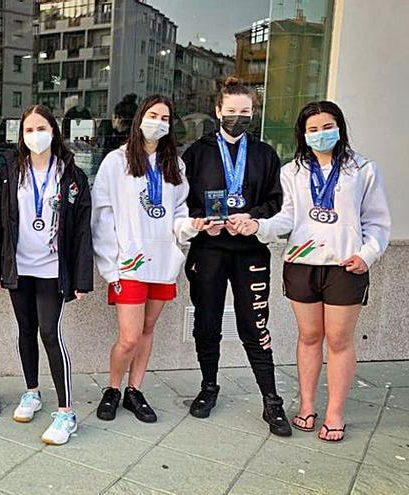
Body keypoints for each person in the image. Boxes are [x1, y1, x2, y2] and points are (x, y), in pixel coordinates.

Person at [234, 101, 391, 442]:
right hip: (302, 264)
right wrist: (257, 226)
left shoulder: (362, 169)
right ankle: (306, 405)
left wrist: (367, 255)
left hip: (344, 267)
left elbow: (377, 221)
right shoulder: (292, 172)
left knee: (338, 340)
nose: (321, 134)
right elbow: (287, 218)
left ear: (340, 128)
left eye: (328, 127)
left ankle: (335, 411)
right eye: (314, 129)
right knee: (308, 338)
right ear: (304, 134)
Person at [181, 77, 292, 437]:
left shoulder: (265, 154)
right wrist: (200, 222)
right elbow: (183, 202)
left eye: (244, 112)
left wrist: (254, 219)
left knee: (254, 325)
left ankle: (271, 400)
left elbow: (277, 202)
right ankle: (209, 386)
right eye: (231, 112)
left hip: (250, 251)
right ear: (218, 111)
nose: (237, 118)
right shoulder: (195, 153)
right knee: (207, 322)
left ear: (253, 113)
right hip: (209, 250)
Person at [0, 104, 93, 445]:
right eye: (28, 130)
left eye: (41, 127)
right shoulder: (11, 171)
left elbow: (81, 231)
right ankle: (32, 392)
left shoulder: (72, 174)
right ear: (21, 136)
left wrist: (80, 278)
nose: (35, 135)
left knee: (49, 333)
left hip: (52, 269)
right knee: (26, 331)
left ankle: (66, 412)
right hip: (20, 267)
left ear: (54, 131)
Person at [91, 95, 197, 423]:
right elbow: (102, 215)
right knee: (129, 336)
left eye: (165, 118)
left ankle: (134, 391)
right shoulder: (115, 162)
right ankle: (112, 387)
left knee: (148, 329)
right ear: (139, 119)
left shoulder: (174, 165)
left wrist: (187, 228)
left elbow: (179, 209)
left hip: (162, 262)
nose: (158, 123)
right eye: (153, 115)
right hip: (129, 264)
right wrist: (111, 266)